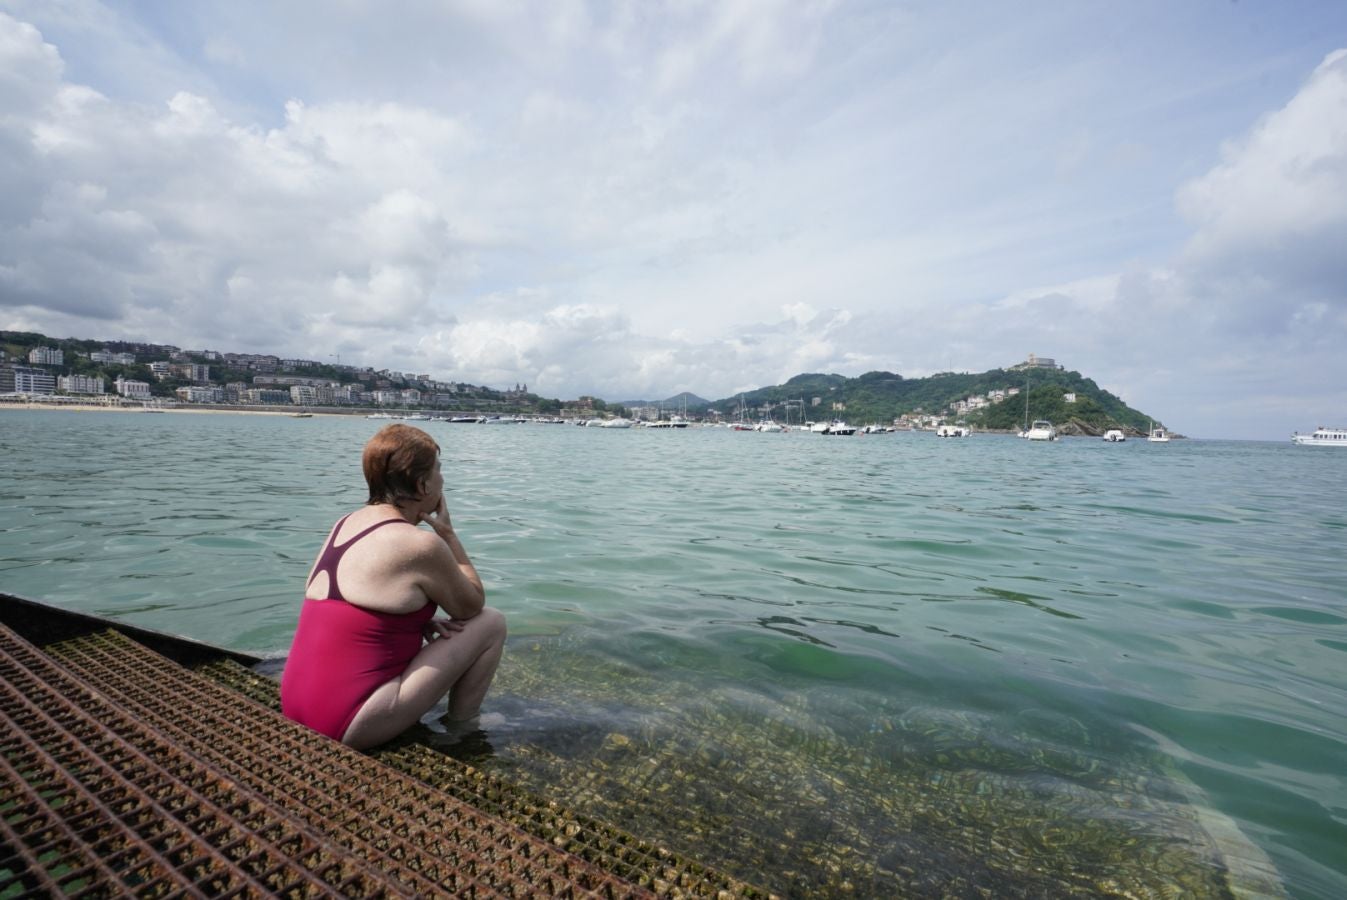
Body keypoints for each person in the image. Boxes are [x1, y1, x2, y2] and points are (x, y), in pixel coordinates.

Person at [281, 423, 506, 749]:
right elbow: (472, 604)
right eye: (439, 471)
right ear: (422, 483)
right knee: (491, 623)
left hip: (294, 706)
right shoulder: (418, 545)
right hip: (344, 723)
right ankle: (462, 729)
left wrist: (415, 619)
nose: (443, 480)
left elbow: (355, 603)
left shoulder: (344, 524)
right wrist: (448, 535)